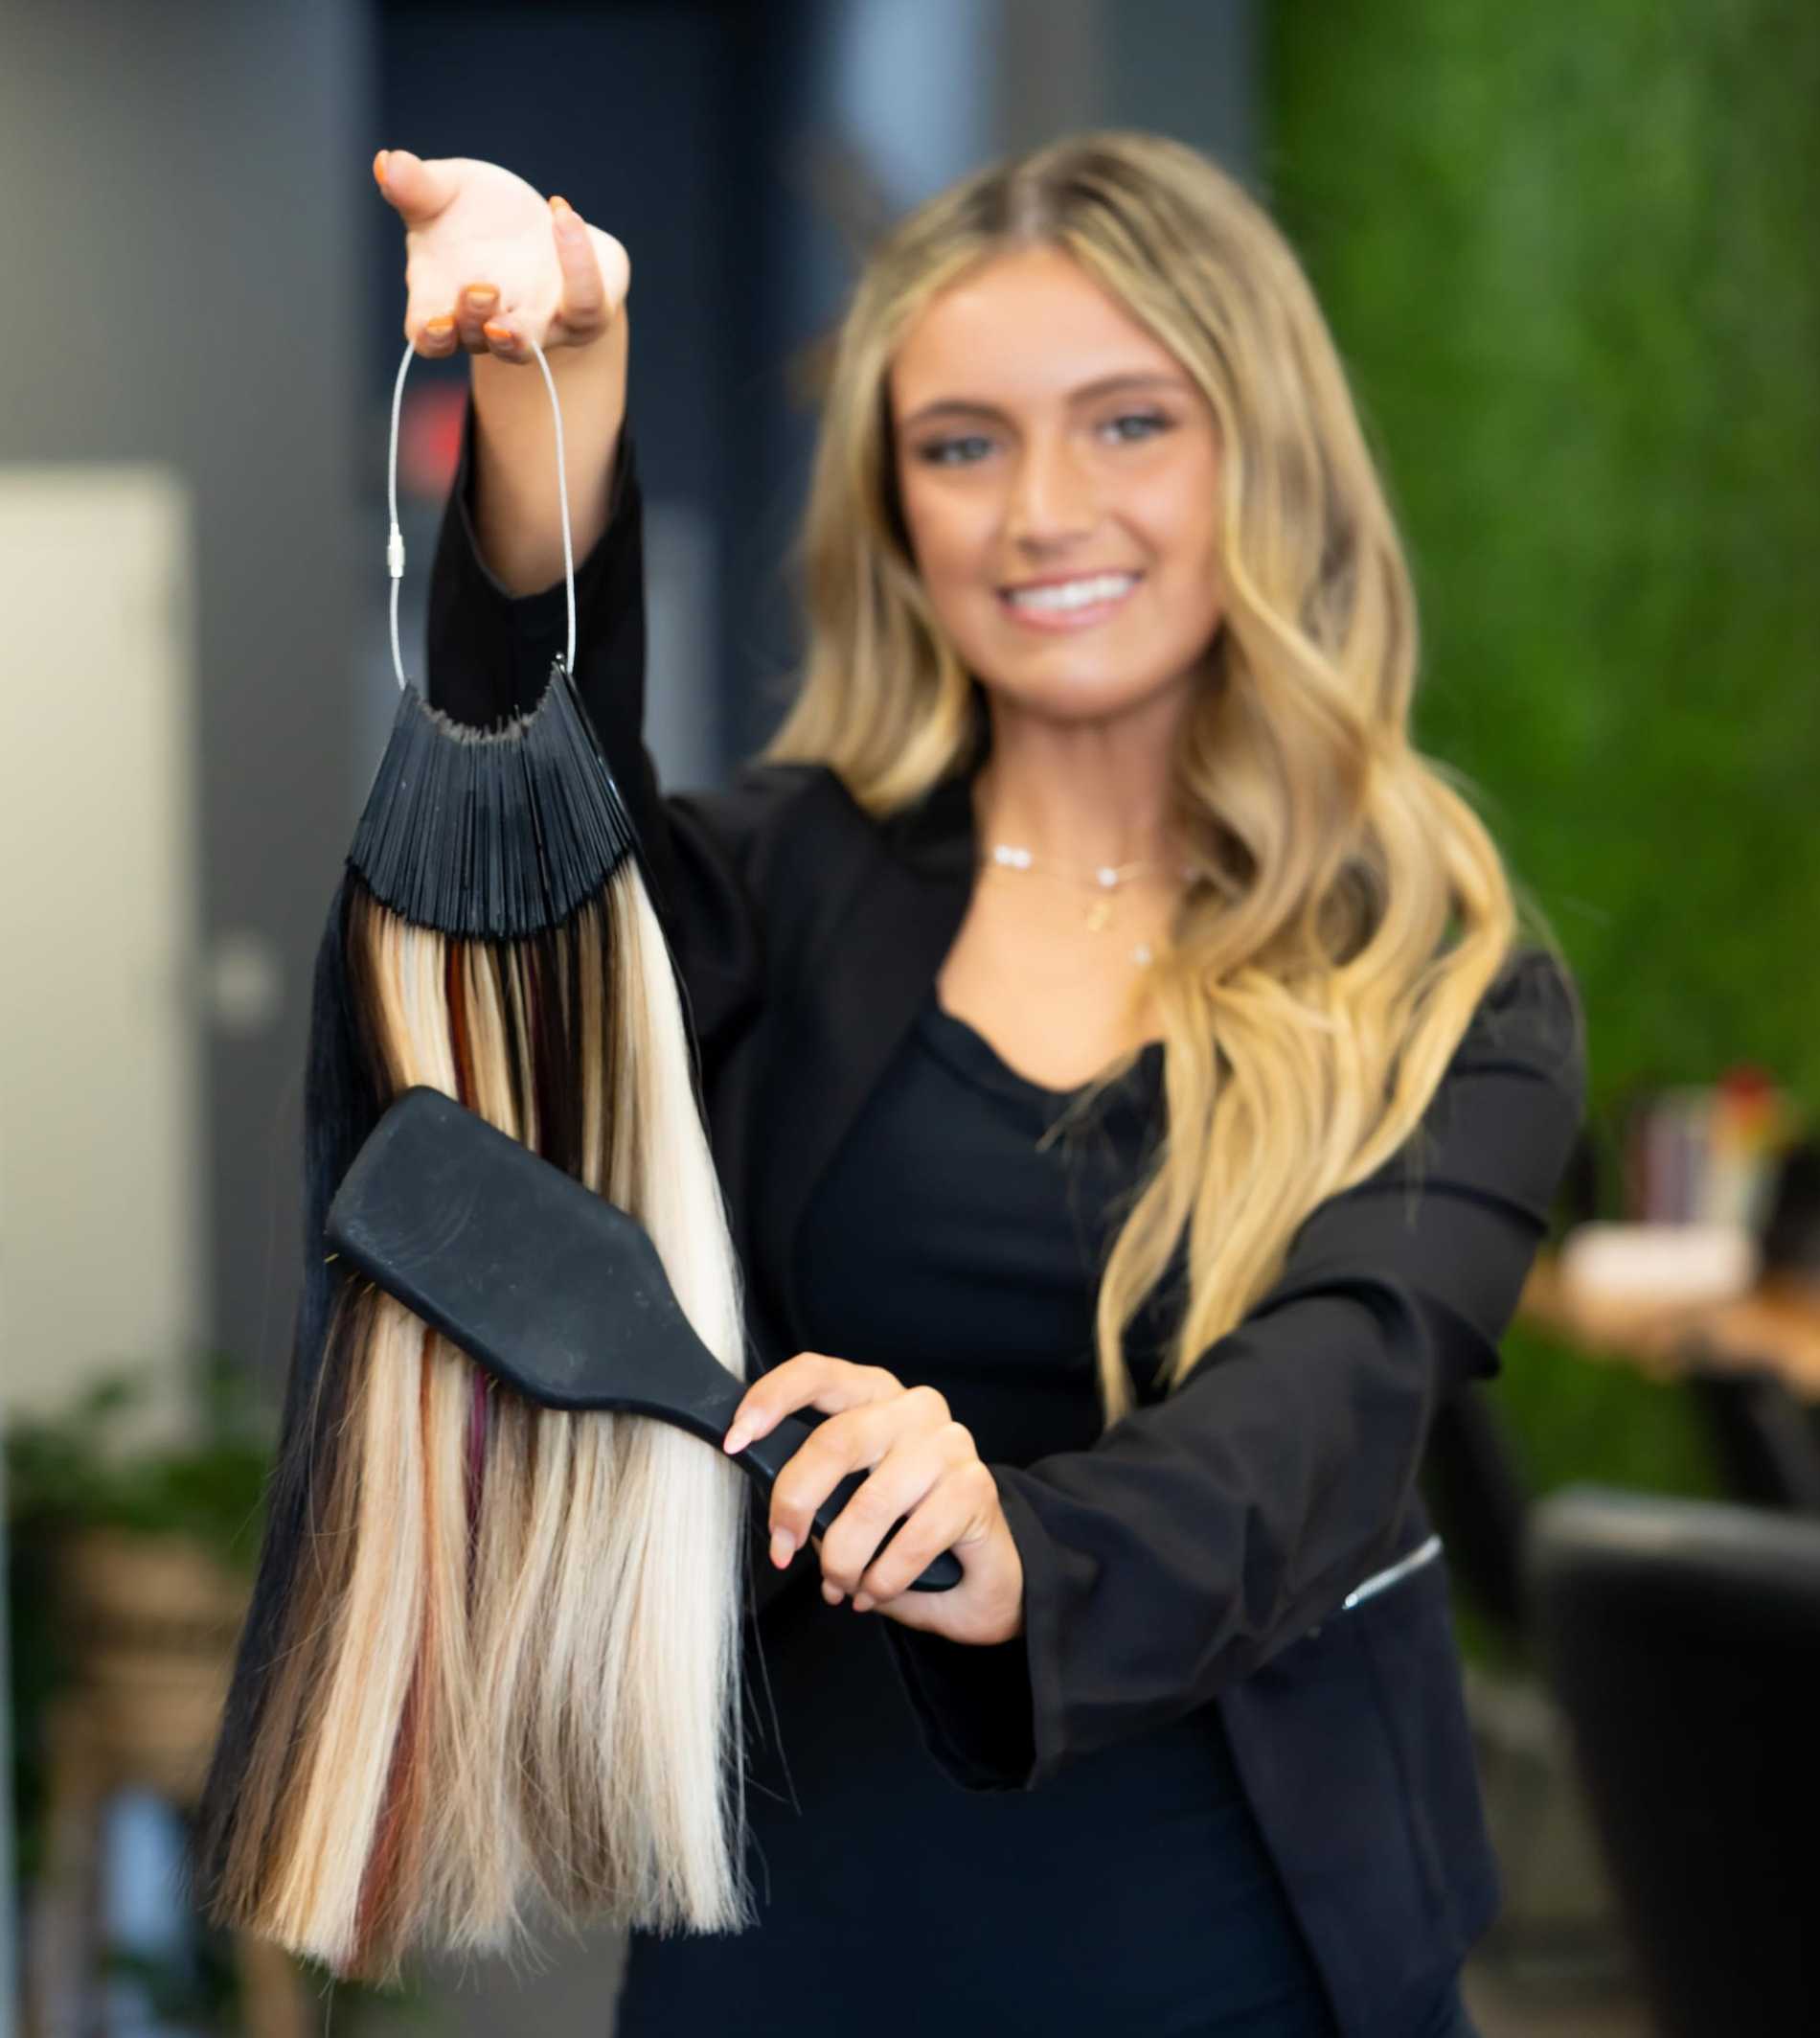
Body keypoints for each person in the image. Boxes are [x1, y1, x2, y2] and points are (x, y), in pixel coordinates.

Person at [375, 129, 1585, 2038]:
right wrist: (559, 384)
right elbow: (521, 867)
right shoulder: (774, 887)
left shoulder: (1439, 980)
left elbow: (1325, 1418)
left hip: (1255, 1956)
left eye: (1128, 423)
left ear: (1263, 459)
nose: (1041, 509)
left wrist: (1012, 1529)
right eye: (961, 444)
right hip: (800, 1935)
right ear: (893, 503)